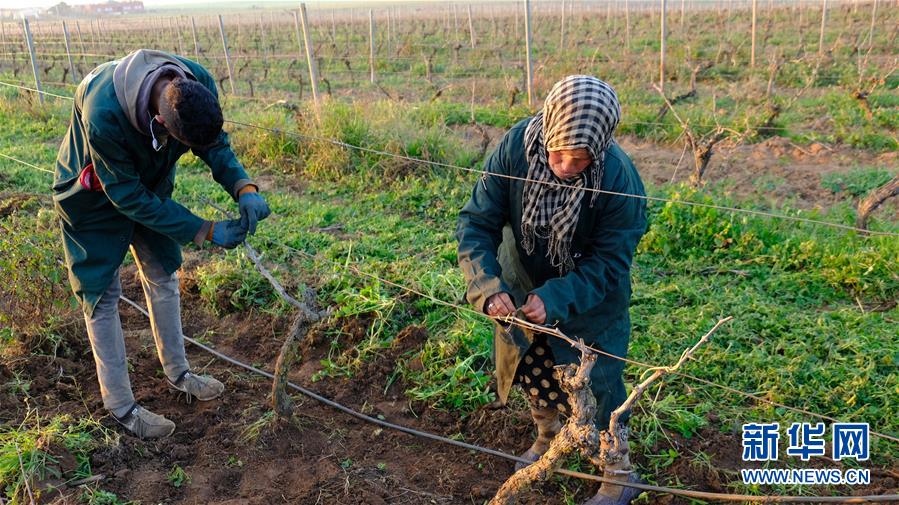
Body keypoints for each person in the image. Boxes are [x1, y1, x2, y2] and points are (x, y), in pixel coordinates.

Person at [53, 49, 271, 440]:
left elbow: (215, 144)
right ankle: (121, 406)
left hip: (149, 187)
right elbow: (127, 197)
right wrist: (204, 229)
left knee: (163, 274)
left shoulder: (195, 81)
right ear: (159, 123)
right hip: (94, 193)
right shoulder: (104, 111)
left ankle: (179, 372)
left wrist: (244, 186)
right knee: (102, 293)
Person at [456, 75, 648, 505]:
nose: (563, 166)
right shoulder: (514, 149)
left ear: (598, 149)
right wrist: (488, 288)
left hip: (591, 299)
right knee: (531, 365)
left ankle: (619, 473)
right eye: (556, 153)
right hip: (520, 284)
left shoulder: (619, 179)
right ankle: (548, 437)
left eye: (578, 160)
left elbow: (611, 262)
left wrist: (557, 297)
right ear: (546, 131)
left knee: (597, 385)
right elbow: (477, 222)